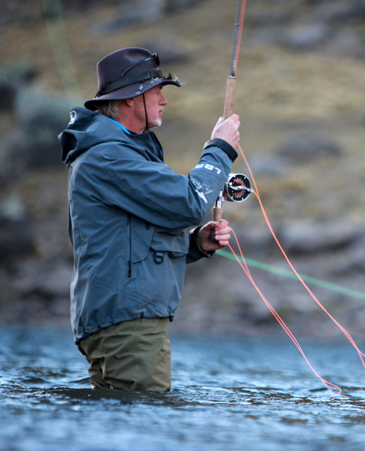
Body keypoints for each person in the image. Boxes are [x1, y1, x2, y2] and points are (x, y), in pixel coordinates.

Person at [58, 47, 241, 391]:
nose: (164, 101)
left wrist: (195, 243)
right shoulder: (110, 156)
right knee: (141, 420)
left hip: (126, 319)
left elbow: (132, 241)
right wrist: (219, 149)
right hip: (129, 322)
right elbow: (190, 202)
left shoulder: (117, 153)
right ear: (131, 99)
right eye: (157, 91)